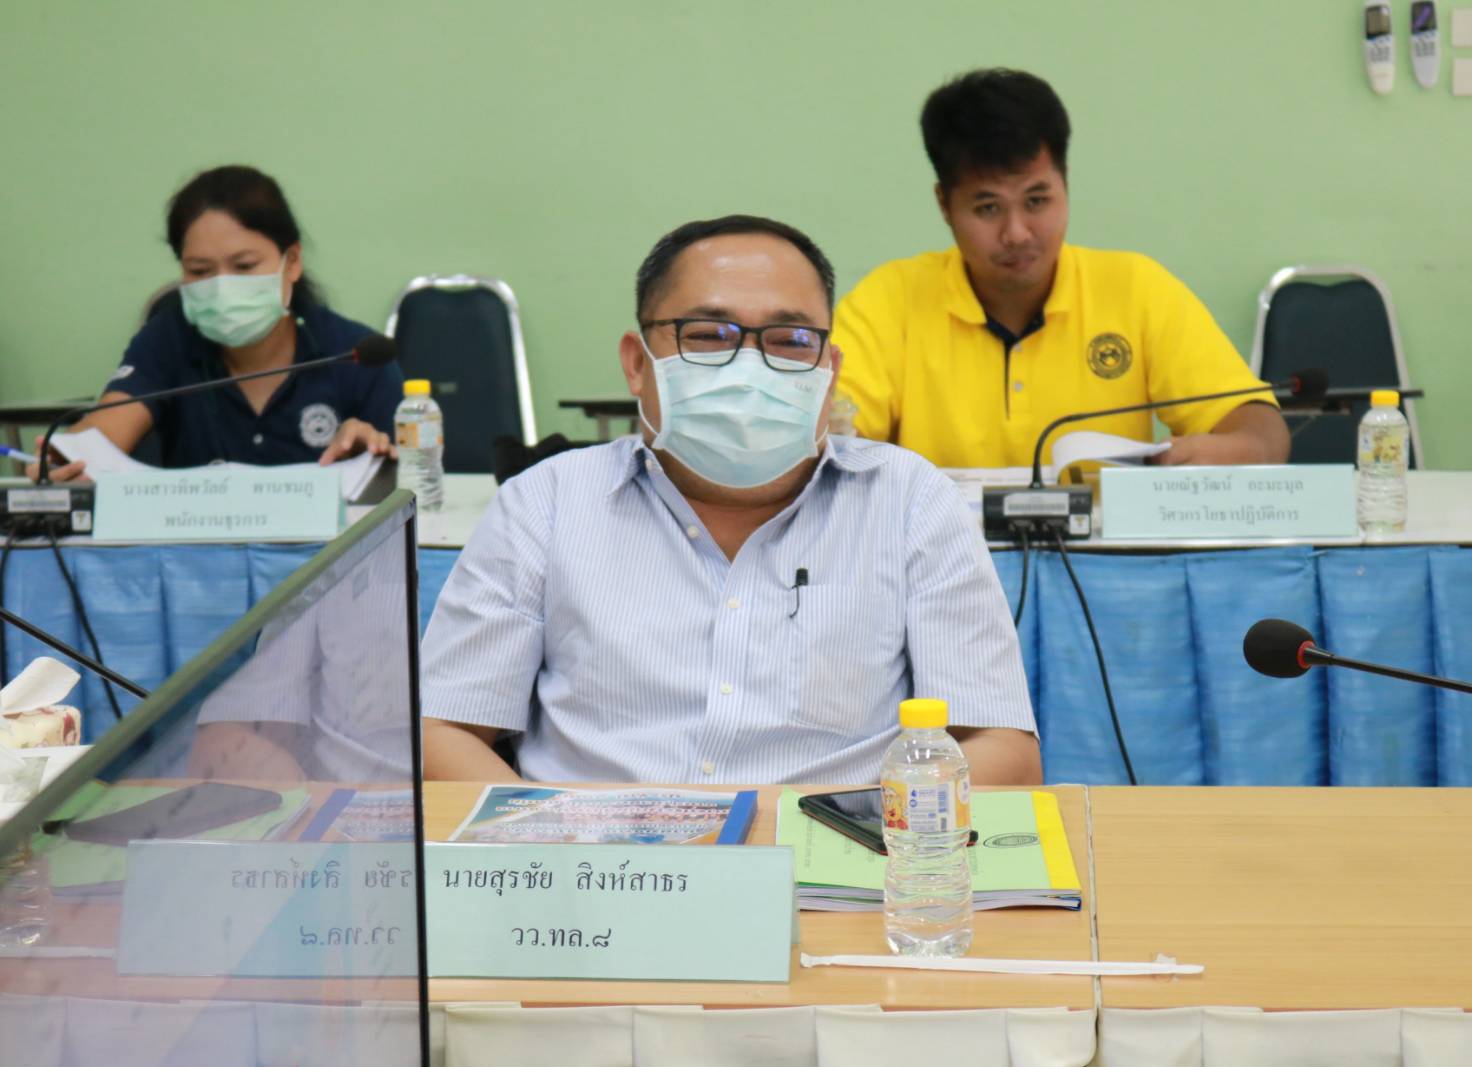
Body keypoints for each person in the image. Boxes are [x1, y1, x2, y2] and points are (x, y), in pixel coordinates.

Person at [420, 215, 1040, 786]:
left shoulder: (910, 502)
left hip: (842, 855)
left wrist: (872, 843)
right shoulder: (547, 503)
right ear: (637, 363)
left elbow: (999, 747)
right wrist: (552, 844)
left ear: (829, 370)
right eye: (709, 335)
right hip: (596, 859)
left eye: (790, 339)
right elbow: (443, 731)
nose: (750, 367)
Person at [833, 69, 1290, 470]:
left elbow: (1261, 429)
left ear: (1065, 185)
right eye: (988, 207)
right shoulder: (890, 300)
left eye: (1037, 201)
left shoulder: (1135, 288)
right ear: (945, 206)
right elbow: (831, 436)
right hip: (936, 544)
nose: (1017, 233)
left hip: (1107, 545)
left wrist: (1236, 448)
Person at [31, 165, 400, 481]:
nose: (222, 286)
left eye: (244, 266)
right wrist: (66, 459)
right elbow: (105, 432)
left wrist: (369, 458)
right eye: (200, 271)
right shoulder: (169, 338)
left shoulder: (356, 355)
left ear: (292, 262)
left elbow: (410, 486)